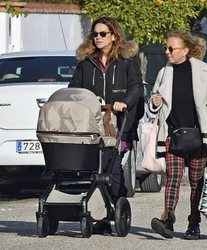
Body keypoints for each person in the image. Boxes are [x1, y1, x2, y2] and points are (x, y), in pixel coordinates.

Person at [149, 31, 207, 240]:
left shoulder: (202, 71)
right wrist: (154, 102)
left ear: (185, 50)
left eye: (171, 48)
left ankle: (194, 224)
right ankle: (167, 220)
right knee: (172, 179)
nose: (167, 52)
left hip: (198, 136)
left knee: (196, 182)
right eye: (165, 48)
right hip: (173, 136)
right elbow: (154, 99)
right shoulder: (164, 72)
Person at [68, 17, 143, 235]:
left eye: (103, 34)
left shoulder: (127, 60)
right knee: (94, 168)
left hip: (118, 122)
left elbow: (136, 87)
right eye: (95, 34)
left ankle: (116, 205)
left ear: (114, 36)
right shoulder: (86, 60)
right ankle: (99, 215)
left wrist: (125, 103)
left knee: (113, 166)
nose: (98, 38)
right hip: (91, 122)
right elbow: (74, 87)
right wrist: (81, 100)